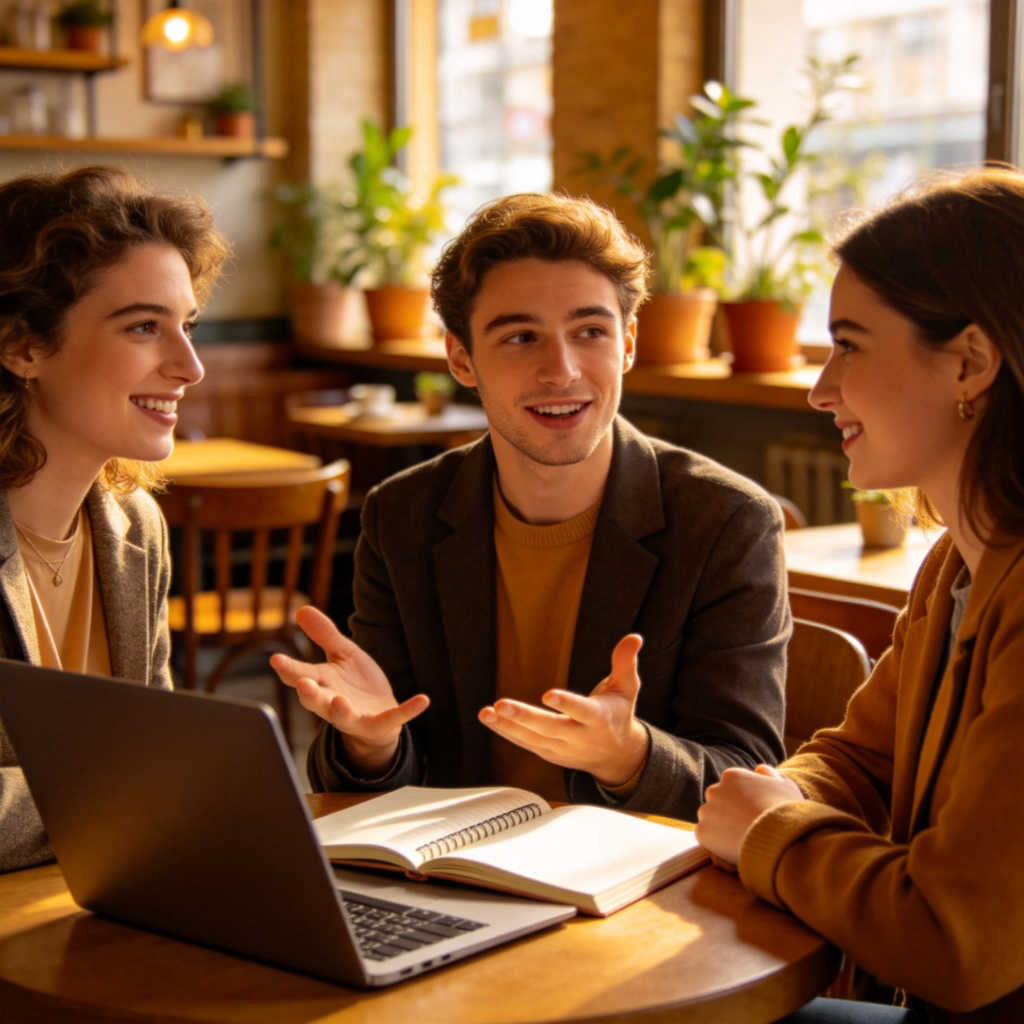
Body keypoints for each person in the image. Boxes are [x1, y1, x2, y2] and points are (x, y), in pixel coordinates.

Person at [271, 191, 788, 821]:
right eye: (520, 336)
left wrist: (627, 756)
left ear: (626, 344)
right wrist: (371, 743)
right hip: (453, 869)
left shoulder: (726, 521)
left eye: (589, 332)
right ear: (461, 357)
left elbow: (747, 770)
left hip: (635, 885)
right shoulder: (401, 515)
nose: (561, 370)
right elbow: (376, 769)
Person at [695, 166, 1024, 1023]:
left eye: (850, 343)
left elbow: (953, 939)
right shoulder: (957, 563)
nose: (819, 387)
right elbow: (859, 760)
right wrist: (781, 795)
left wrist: (769, 833)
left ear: (972, 362)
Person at [0, 165, 230, 872]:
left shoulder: (135, 527)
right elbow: (150, 782)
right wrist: (141, 797)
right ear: (23, 347)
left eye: (187, 327)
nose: (189, 366)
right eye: (143, 328)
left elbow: (150, 754)